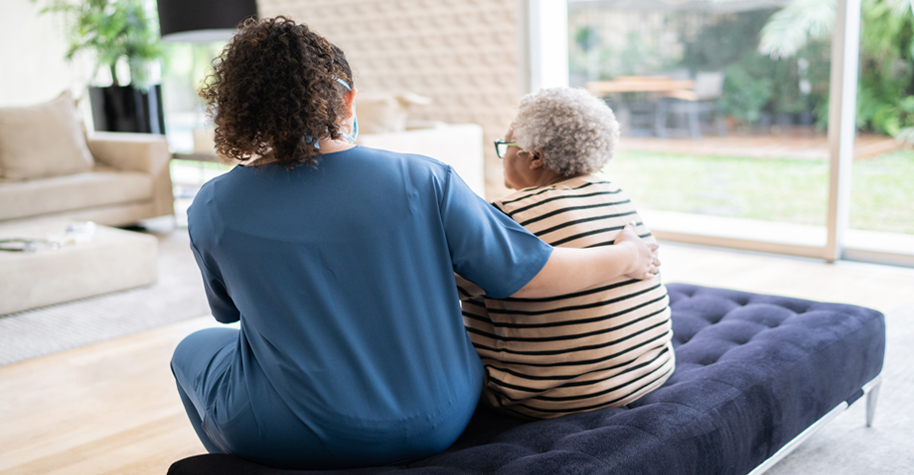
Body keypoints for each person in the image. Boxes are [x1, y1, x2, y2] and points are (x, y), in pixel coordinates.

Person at [171, 17, 661, 470]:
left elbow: (228, 315)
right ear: (345, 101)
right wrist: (627, 256)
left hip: (300, 432)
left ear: (236, 112)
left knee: (192, 349)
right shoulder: (423, 177)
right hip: (444, 416)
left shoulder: (213, 207)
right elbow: (530, 276)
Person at [456, 87, 674, 420]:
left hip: (549, 397)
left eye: (506, 146)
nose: (502, 157)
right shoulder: (616, 195)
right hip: (651, 369)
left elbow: (441, 287)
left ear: (534, 156)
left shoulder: (507, 215)